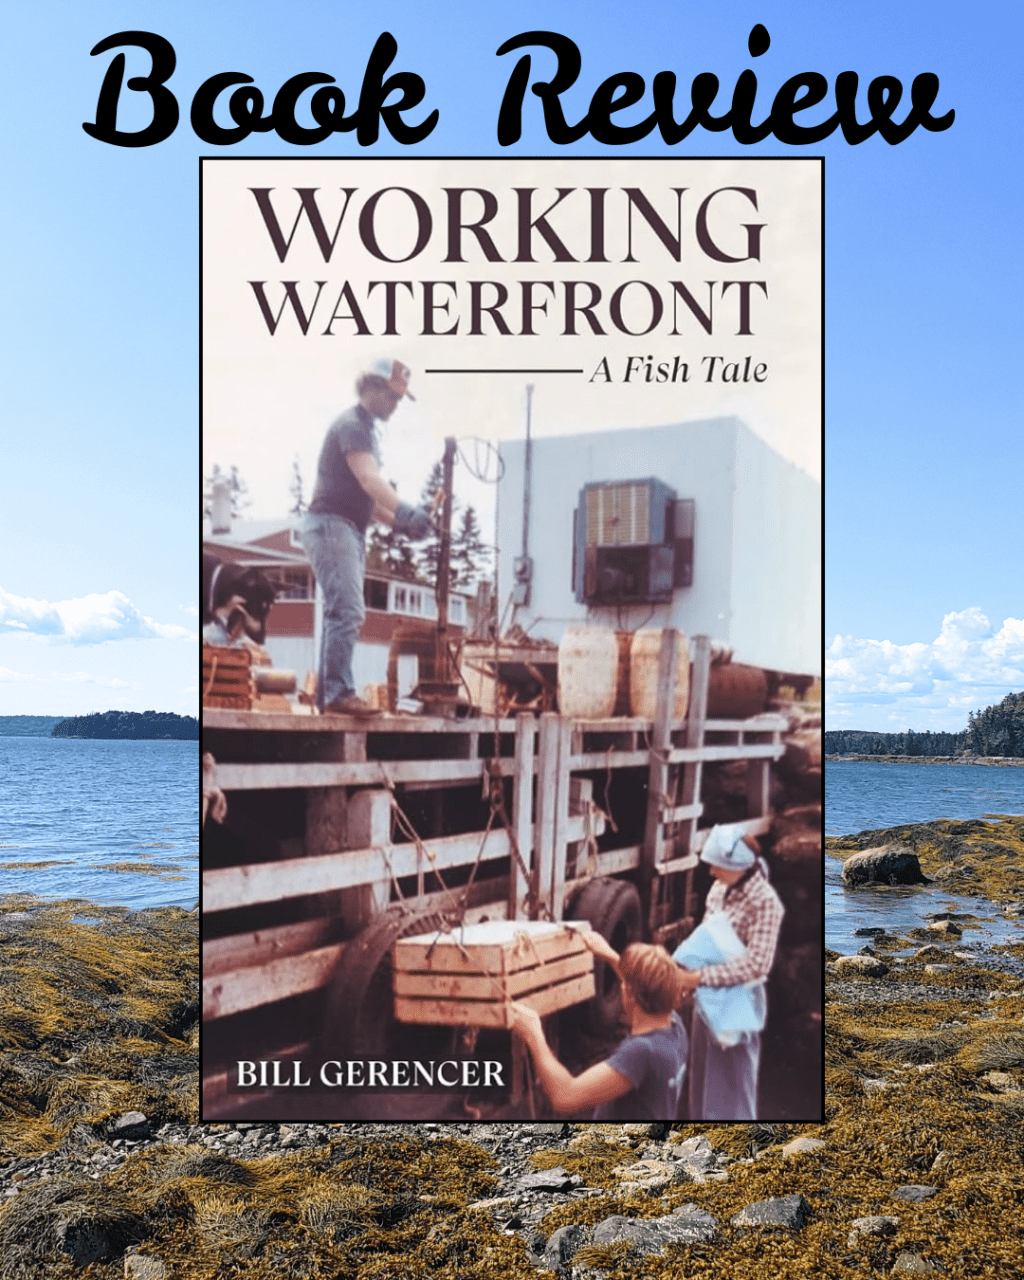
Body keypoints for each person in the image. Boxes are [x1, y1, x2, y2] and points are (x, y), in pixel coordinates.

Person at [300, 358, 433, 716]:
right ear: (372, 388)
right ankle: (338, 693)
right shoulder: (353, 426)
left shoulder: (363, 430)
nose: (396, 404)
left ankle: (331, 697)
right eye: (393, 396)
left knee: (340, 611)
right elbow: (370, 480)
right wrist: (405, 511)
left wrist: (400, 524)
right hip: (332, 524)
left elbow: (368, 501)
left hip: (343, 526)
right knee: (348, 610)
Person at [509, 931, 689, 1120]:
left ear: (630, 994)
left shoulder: (642, 1053)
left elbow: (566, 1096)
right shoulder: (675, 1026)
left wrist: (534, 1035)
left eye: (625, 985)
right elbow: (646, 986)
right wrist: (611, 956)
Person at [674, 827, 785, 1121]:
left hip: (739, 1003)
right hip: (707, 998)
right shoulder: (718, 890)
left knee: (733, 1085)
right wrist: (688, 972)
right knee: (702, 1080)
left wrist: (699, 978)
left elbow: (757, 964)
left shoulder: (765, 902)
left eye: (716, 865)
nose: (711, 871)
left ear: (738, 866)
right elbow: (706, 938)